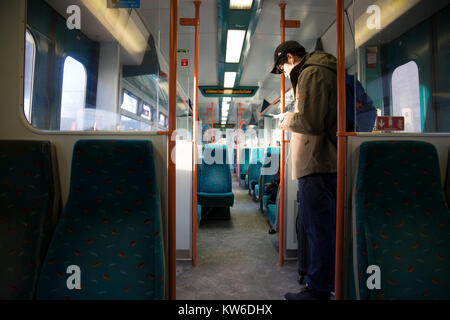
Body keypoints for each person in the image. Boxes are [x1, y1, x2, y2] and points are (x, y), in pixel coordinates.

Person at [271, 41, 337, 300]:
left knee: (318, 229)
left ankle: (318, 290)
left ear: (290, 57)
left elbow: (310, 121)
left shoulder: (311, 72)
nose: (284, 74)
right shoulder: (321, 70)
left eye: (282, 68)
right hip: (323, 162)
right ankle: (320, 284)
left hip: (318, 162)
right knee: (320, 228)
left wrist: (286, 119)